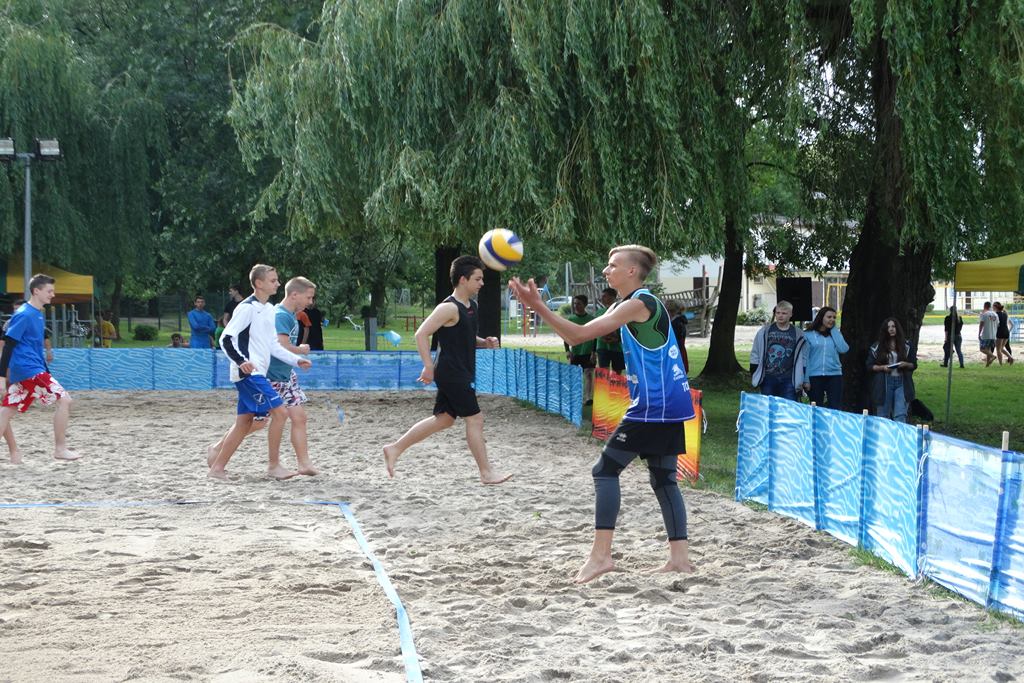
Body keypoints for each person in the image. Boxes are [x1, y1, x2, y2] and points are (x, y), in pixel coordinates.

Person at [510, 245, 695, 584]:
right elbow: (575, 336)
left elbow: (579, 334)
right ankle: (680, 559)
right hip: (670, 403)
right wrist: (536, 307)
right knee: (663, 479)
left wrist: (537, 305)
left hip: (655, 406)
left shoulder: (641, 303)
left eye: (612, 266)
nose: (606, 271)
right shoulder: (627, 304)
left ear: (631, 272)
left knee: (605, 470)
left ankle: (600, 557)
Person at [382, 255, 511, 485]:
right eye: (478, 279)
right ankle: (486, 473)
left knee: (443, 419)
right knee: (475, 419)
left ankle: (394, 448)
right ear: (463, 280)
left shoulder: (472, 306)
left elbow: (466, 336)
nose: (482, 283)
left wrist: (484, 342)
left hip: (461, 370)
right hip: (452, 373)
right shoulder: (448, 307)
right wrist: (428, 366)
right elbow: (421, 334)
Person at [207, 265, 312, 480]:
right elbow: (225, 338)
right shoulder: (247, 308)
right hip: (249, 374)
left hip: (257, 373)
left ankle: (216, 468)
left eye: (277, 280)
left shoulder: (269, 310)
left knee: (245, 422)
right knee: (280, 413)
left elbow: (274, 346)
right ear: (259, 283)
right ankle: (274, 466)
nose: (278, 284)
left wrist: (296, 359)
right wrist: (241, 362)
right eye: (273, 280)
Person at [0, 274, 80, 464]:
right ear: (36, 291)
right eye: (49, 291)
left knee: (7, 410)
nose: (53, 294)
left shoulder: (37, 313)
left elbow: (34, 347)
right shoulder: (25, 314)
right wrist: (2, 377)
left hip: (29, 370)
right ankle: (60, 448)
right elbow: (9, 345)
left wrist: (46, 372)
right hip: (28, 370)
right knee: (65, 401)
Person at [267, 276, 319, 476]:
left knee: (299, 418)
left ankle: (304, 464)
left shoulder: (289, 315)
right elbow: (281, 346)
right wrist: (301, 351)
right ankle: (219, 449)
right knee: (254, 422)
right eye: (308, 297)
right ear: (294, 295)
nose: (310, 302)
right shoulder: (282, 315)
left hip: (286, 375)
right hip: (273, 376)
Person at [750, 301, 805, 400]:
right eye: (778, 313)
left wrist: (802, 377)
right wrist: (754, 370)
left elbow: (803, 357)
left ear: (791, 314)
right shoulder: (765, 331)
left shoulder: (798, 334)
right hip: (767, 377)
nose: (780, 316)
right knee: (768, 408)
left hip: (789, 379)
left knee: (788, 408)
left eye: (784, 313)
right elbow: (755, 352)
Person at [797, 306, 848, 409]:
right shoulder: (808, 335)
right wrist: (806, 379)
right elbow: (805, 358)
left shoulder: (835, 334)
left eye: (834, 317)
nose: (832, 320)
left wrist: (833, 330)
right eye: (829, 317)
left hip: (834, 375)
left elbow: (843, 349)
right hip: (814, 376)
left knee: (835, 407)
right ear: (821, 317)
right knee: (816, 407)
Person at [867, 317, 917, 422]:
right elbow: (870, 366)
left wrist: (906, 364)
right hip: (884, 382)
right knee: (883, 416)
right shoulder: (877, 346)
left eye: (893, 326)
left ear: (897, 328)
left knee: (900, 415)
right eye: (888, 327)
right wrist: (882, 367)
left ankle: (899, 437)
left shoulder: (907, 345)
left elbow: (914, 365)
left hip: (901, 382)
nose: (891, 329)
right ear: (885, 330)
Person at [564, 294, 596, 404]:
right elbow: (566, 336)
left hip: (588, 351)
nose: (576, 306)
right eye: (575, 303)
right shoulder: (571, 319)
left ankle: (588, 397)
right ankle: (574, 396)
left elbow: (595, 336)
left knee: (588, 373)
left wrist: (594, 352)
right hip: (575, 352)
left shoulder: (591, 319)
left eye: (579, 304)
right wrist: (567, 350)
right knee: (573, 375)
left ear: (585, 305)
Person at [594, 288, 625, 375]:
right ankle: (604, 389)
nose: (602, 299)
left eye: (604, 296)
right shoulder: (599, 312)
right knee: (603, 373)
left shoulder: (621, 311)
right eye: (601, 297)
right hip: (602, 347)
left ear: (612, 297)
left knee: (617, 373)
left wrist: (617, 338)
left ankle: (615, 389)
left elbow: (626, 329)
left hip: (618, 348)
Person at [665, 299, 690, 375]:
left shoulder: (676, 323)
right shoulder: (678, 322)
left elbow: (674, 341)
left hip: (675, 353)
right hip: (678, 351)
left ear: (671, 311)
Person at [978, 301, 999, 367]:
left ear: (984, 306)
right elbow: (998, 324)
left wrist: (979, 333)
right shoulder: (995, 314)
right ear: (990, 306)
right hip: (993, 335)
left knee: (982, 349)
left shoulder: (985, 314)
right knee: (988, 349)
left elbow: (981, 324)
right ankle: (987, 364)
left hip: (986, 335)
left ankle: (993, 356)